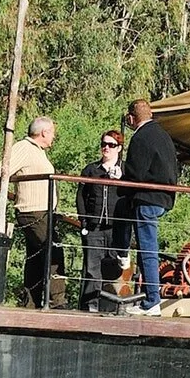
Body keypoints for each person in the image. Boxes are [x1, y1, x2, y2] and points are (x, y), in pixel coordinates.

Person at [120, 98, 179, 316]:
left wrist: (122, 173)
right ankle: (150, 298)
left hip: (147, 199)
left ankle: (152, 300)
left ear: (131, 118)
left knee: (147, 249)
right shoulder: (163, 135)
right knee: (148, 248)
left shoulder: (141, 137)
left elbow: (136, 173)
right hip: (164, 197)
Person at [3, 116, 62, 307]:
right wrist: (10, 193)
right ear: (44, 132)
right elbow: (2, 172)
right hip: (33, 211)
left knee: (37, 255)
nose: (54, 136)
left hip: (42, 212)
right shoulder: (24, 148)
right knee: (53, 252)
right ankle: (56, 302)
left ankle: (31, 302)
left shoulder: (37, 151)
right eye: (52, 132)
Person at [77, 129, 129, 312]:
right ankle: (91, 307)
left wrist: (122, 179)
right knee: (92, 270)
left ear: (119, 148)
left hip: (116, 228)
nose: (106, 148)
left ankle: (115, 306)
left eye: (111, 145)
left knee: (117, 269)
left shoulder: (125, 170)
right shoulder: (91, 170)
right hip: (94, 228)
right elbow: (81, 196)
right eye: (104, 144)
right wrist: (84, 221)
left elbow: (131, 195)